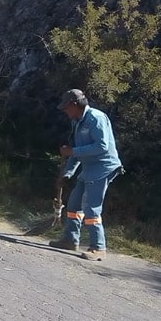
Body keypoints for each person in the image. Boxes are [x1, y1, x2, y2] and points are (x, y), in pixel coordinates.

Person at [48, 89, 124, 261]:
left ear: (75, 105)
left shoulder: (96, 118)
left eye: (66, 108)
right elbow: (75, 153)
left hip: (103, 167)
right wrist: (67, 173)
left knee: (91, 207)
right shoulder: (77, 121)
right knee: (74, 204)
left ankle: (98, 247)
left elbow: (102, 146)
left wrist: (72, 151)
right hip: (89, 168)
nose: (65, 112)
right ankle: (70, 240)